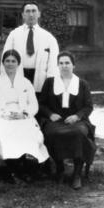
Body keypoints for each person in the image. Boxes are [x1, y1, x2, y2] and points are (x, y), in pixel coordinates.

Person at [0, 49, 49, 183]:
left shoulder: (26, 82)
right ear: (3, 63)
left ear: (18, 63)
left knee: (30, 134)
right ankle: (14, 169)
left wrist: (24, 114)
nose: (10, 64)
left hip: (22, 116)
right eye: (7, 61)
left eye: (13, 61)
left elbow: (34, 105)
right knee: (6, 134)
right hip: (3, 116)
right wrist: (4, 114)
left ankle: (23, 168)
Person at [38, 51, 96, 190]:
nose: (64, 66)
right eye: (61, 63)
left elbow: (88, 106)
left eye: (67, 63)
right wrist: (50, 114)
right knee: (52, 134)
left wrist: (77, 116)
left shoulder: (82, 84)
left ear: (73, 65)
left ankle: (77, 174)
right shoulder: (50, 82)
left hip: (77, 120)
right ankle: (60, 169)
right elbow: (41, 104)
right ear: (58, 65)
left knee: (79, 133)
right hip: (55, 120)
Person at [1, 1, 59, 94]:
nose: (31, 14)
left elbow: (53, 64)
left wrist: (50, 83)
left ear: (39, 14)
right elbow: (5, 58)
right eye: (27, 11)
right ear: (23, 15)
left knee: (38, 105)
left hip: (40, 79)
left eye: (34, 11)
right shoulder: (14, 35)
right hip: (19, 75)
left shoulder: (48, 37)